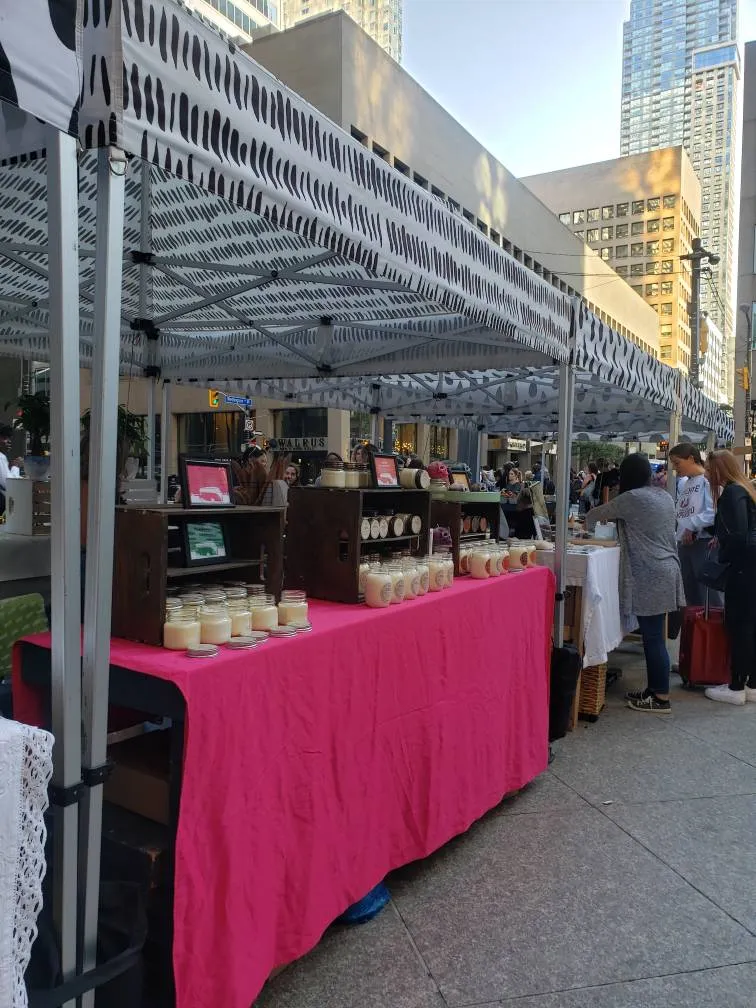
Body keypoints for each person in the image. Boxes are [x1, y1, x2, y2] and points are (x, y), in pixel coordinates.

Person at [586, 453, 684, 714]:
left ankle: (661, 697)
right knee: (655, 636)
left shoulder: (630, 499)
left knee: (653, 638)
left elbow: (595, 514)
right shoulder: (663, 496)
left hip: (650, 574)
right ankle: (653, 690)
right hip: (668, 570)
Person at [702, 449, 756, 706]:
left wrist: (723, 555)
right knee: (749, 624)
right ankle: (751, 684)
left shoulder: (733, 492)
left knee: (739, 625)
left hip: (743, 567)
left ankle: (736, 685)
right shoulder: (744, 490)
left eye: (709, 468)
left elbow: (738, 535)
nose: (706, 473)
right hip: (750, 566)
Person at [669, 443, 719, 609]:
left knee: (707, 595)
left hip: (703, 543)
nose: (675, 468)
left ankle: (712, 632)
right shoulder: (684, 483)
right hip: (684, 543)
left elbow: (713, 512)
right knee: (689, 593)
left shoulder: (708, 481)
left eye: (677, 463)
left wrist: (692, 527)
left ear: (691, 458)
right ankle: (694, 631)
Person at [0, 424, 21, 514]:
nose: (9, 441)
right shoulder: (1, 457)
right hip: (1, 510)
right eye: (5, 438)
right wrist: (15, 467)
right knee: (4, 523)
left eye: (9, 438)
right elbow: (9, 484)